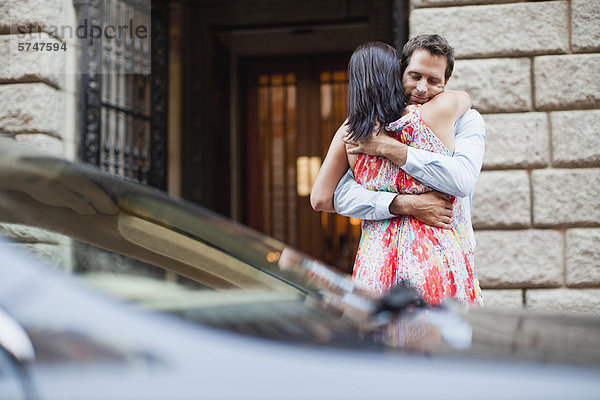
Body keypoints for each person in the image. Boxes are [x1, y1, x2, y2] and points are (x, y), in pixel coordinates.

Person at [310, 37, 483, 306]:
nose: (422, 88)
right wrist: (404, 204)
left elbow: (321, 197)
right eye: (414, 76)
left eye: (434, 81)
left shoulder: (351, 133)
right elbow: (462, 98)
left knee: (379, 340)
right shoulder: (434, 114)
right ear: (398, 72)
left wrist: (383, 146)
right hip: (434, 252)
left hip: (377, 257)